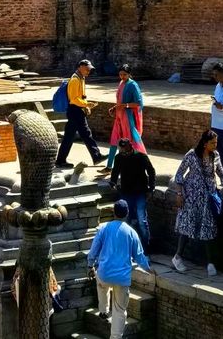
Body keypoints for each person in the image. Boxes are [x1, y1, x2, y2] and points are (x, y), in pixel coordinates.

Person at [171, 129, 223, 277]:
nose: (215, 145)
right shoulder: (191, 155)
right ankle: (177, 257)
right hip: (191, 197)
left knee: (207, 227)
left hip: (207, 197)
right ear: (204, 143)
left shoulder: (215, 155)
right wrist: (179, 193)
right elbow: (179, 174)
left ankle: (210, 263)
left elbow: (221, 172)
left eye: (216, 142)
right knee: (187, 227)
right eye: (212, 143)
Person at [87, 199, 150, 339]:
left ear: (113, 212)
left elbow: (93, 250)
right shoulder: (131, 233)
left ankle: (103, 310)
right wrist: (149, 269)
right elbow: (139, 256)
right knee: (120, 310)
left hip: (105, 274)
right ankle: (115, 337)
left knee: (100, 284)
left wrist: (90, 265)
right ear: (127, 213)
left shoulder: (104, 228)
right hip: (122, 279)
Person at [55, 59, 104, 168]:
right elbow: (74, 99)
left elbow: (82, 96)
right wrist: (86, 105)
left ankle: (60, 160)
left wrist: (85, 105)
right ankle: (96, 156)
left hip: (77, 110)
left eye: (89, 70)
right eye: (87, 69)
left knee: (70, 136)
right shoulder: (75, 80)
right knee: (85, 134)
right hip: (74, 110)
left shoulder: (81, 78)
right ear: (80, 67)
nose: (88, 71)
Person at [109, 138, 155, 249]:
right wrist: (113, 182)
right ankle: (128, 247)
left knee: (142, 221)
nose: (123, 151)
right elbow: (115, 171)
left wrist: (151, 188)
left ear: (130, 146)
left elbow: (151, 171)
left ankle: (145, 248)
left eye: (124, 148)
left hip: (140, 192)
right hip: (126, 192)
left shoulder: (140, 157)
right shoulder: (119, 158)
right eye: (121, 148)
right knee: (126, 221)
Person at [105, 64, 146, 169]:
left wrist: (125, 106)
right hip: (119, 117)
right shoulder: (121, 83)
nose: (122, 76)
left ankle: (139, 162)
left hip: (127, 118)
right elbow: (120, 101)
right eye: (120, 74)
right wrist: (115, 107)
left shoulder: (132, 85)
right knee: (114, 140)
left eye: (124, 74)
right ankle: (109, 166)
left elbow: (138, 103)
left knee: (129, 141)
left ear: (129, 74)